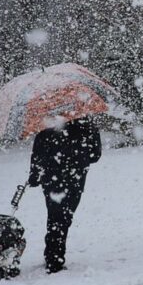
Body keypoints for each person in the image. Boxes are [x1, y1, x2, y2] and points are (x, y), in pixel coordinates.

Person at [28, 116, 102, 273]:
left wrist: (34, 176)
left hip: (51, 179)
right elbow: (95, 155)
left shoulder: (46, 127)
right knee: (64, 217)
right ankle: (55, 257)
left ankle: (52, 255)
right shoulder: (87, 127)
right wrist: (79, 159)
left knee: (54, 216)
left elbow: (37, 156)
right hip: (75, 179)